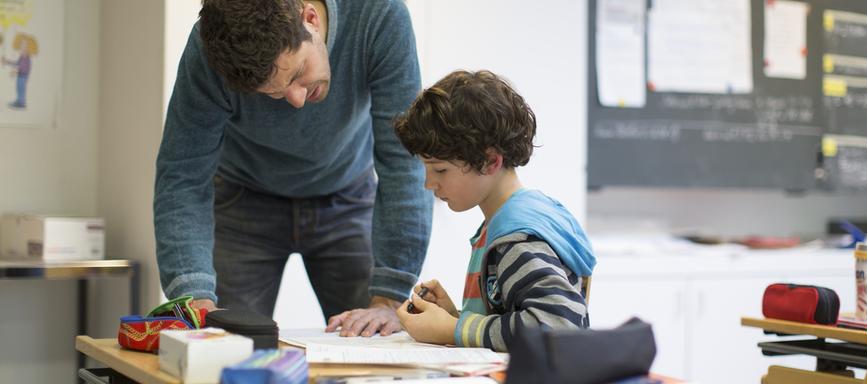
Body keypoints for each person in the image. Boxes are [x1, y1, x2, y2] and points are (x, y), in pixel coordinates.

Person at [155, 0, 432, 337]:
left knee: (376, 337)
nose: (297, 101)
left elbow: (403, 159)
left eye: (299, 73)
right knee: (223, 347)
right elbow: (183, 175)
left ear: (311, 18)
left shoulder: (379, 15)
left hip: (347, 195)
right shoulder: (210, 49)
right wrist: (192, 295)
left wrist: (390, 298)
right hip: (243, 200)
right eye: (271, 93)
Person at [393, 70, 596, 352]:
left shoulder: (517, 240)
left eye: (440, 169)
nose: (428, 183)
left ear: (489, 161)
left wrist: (454, 329)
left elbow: (558, 327)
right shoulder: (509, 221)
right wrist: (453, 318)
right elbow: (509, 320)